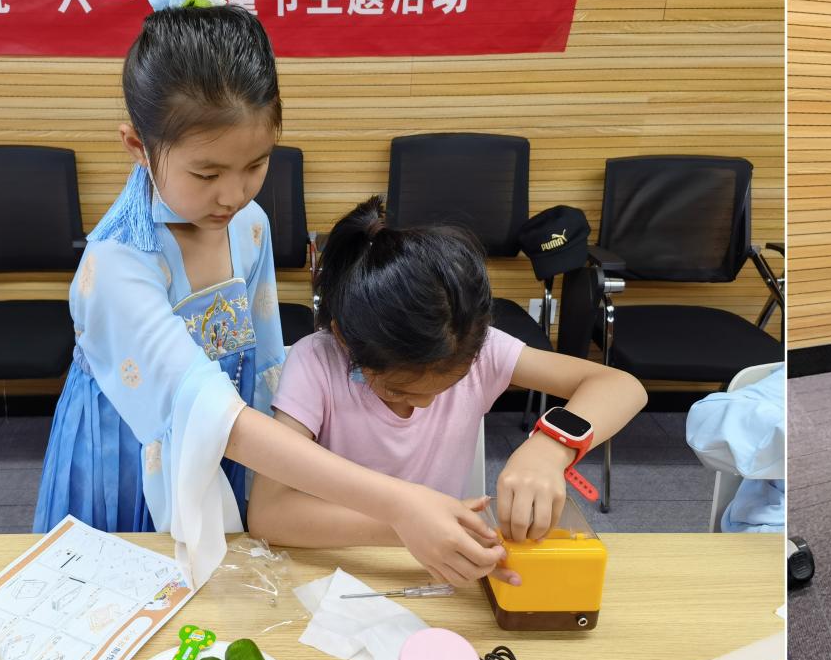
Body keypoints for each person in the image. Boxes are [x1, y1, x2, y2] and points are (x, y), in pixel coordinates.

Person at [35, 0, 496, 587]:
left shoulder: (248, 225)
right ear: (138, 146)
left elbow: (265, 361)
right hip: (127, 449)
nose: (233, 194)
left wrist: (287, 485)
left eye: (255, 165)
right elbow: (202, 409)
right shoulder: (118, 264)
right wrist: (396, 502)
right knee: (127, 591)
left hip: (232, 438)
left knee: (226, 591)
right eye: (206, 174)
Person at [247, 197, 647, 558]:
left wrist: (550, 448)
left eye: (450, 385)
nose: (425, 403)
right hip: (341, 559)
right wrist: (405, 523)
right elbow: (269, 514)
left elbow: (622, 387)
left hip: (441, 564)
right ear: (345, 339)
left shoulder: (481, 348)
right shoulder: (317, 363)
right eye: (399, 389)